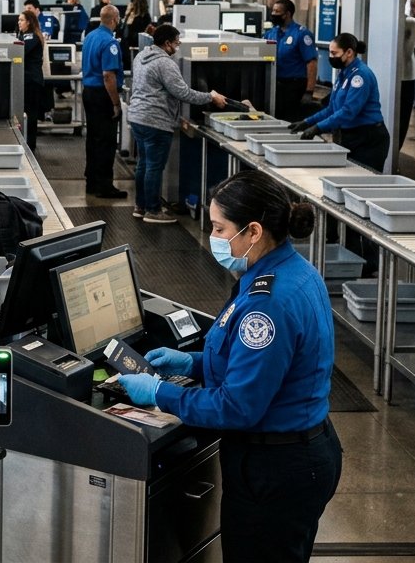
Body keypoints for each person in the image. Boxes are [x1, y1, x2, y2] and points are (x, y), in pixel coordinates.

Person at [117, 170, 342, 563]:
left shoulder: (267, 303)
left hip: (276, 470)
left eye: (220, 228)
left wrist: (160, 393)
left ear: (253, 231)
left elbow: (238, 406)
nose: (214, 238)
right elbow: (261, 363)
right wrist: (194, 362)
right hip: (299, 455)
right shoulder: (291, 272)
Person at [129, 25, 227, 222]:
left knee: (144, 165)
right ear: (167, 43)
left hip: (137, 117)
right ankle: (153, 211)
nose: (178, 46)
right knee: (154, 167)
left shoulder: (141, 56)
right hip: (156, 121)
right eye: (176, 42)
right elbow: (183, 93)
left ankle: (140, 206)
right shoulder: (165, 63)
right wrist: (211, 96)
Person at [290, 32, 390, 172]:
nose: (331, 57)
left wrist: (318, 128)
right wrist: (307, 122)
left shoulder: (360, 76)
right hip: (349, 136)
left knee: (361, 180)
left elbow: (348, 112)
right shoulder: (344, 74)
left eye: (334, 53)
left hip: (367, 140)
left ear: (349, 52)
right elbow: (331, 109)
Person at [81, 5, 126, 199]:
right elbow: (108, 76)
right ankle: (104, 185)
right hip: (103, 95)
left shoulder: (90, 36)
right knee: (106, 141)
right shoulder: (110, 42)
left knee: (93, 138)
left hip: (89, 92)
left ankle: (91, 181)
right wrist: (116, 103)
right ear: (115, 19)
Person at [264, 0, 318, 124]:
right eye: (273, 11)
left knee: (290, 121)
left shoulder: (302, 34)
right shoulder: (271, 33)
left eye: (277, 11)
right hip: (275, 85)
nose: (273, 14)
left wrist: (309, 91)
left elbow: (312, 63)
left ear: (287, 14)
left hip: (294, 86)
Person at [17, 8, 48, 150]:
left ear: (29, 22)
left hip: (31, 81)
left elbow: (20, 52)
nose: (19, 22)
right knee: (29, 113)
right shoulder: (28, 35)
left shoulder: (31, 36)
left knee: (31, 114)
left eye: (22, 20)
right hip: (30, 79)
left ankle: (30, 145)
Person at [398, 10, 415, 151]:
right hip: (407, 75)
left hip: (406, 75)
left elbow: (413, 49)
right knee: (402, 117)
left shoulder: (412, 24)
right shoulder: (413, 24)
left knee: (401, 116)